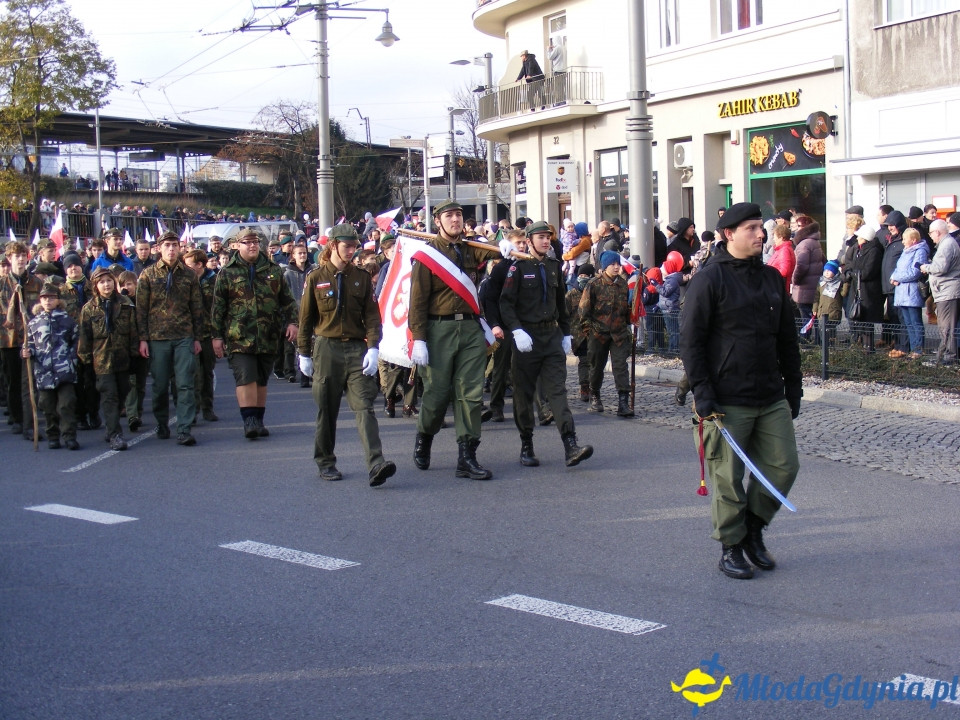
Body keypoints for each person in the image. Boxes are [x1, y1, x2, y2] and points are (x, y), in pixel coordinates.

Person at [679, 202, 801, 580]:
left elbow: (787, 338)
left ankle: (752, 529)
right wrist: (703, 392)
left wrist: (793, 387)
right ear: (729, 234)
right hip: (725, 400)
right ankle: (731, 546)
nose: (761, 234)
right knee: (727, 480)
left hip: (770, 395)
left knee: (783, 467)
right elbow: (691, 342)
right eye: (751, 228)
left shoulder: (771, 278)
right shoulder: (709, 279)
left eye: (761, 227)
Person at [408, 199, 507, 480]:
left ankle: (467, 455)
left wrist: (504, 247)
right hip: (438, 330)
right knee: (437, 394)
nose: (455, 220)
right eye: (449, 216)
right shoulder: (427, 255)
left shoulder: (471, 249)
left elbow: (493, 253)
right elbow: (417, 302)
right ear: (438, 221)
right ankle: (425, 435)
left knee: (470, 394)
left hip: (470, 330)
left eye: (459, 215)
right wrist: (419, 339)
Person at [296, 223, 396, 486]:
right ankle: (325, 461)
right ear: (333, 246)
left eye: (354, 246)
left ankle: (376, 463)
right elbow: (305, 319)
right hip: (326, 348)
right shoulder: (316, 277)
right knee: (327, 409)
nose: (351, 251)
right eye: (346, 246)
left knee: (365, 406)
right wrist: (303, 353)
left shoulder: (360, 277)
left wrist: (373, 347)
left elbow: (372, 317)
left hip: (355, 349)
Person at [499, 220, 593, 467]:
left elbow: (560, 303)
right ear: (529, 241)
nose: (545, 241)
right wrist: (516, 330)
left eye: (547, 237)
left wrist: (566, 333)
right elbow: (506, 304)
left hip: (550, 337)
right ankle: (526, 444)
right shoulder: (517, 267)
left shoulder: (553, 266)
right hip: (526, 338)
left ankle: (570, 445)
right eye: (540, 237)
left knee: (557, 391)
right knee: (523, 394)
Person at [211, 228, 298, 440]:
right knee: (245, 377)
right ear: (237, 245)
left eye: (255, 242)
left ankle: (258, 419)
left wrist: (292, 323)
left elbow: (287, 300)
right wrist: (217, 336)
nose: (252, 246)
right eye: (247, 242)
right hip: (239, 335)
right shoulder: (227, 273)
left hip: (268, 334)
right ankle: (248, 419)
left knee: (261, 379)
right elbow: (218, 307)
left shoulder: (273, 270)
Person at [136, 230, 204, 446]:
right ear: (158, 248)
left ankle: (184, 428)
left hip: (184, 335)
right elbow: (141, 310)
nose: (171, 249)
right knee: (159, 386)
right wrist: (143, 338)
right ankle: (162, 423)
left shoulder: (189, 275)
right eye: (167, 245)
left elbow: (197, 308)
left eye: (175, 245)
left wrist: (197, 337)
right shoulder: (148, 275)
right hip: (158, 337)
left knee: (185, 384)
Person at [79, 268, 139, 451]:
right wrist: (86, 362)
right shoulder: (89, 309)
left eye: (109, 281)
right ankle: (115, 434)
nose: (106, 285)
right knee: (109, 396)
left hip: (122, 358)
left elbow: (133, 331)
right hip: (101, 360)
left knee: (122, 392)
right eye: (102, 282)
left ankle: (111, 427)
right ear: (96, 286)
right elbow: (84, 338)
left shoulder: (126, 304)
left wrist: (134, 355)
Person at [22, 282, 79, 450]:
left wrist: (72, 361)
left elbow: (76, 343)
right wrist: (27, 352)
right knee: (47, 406)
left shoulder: (68, 321)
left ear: (58, 300)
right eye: (44, 298)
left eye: (51, 298)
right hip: (44, 372)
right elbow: (30, 344)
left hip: (65, 370)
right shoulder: (34, 323)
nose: (48, 301)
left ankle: (69, 436)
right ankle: (53, 435)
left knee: (66, 404)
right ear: (40, 300)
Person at [580, 249, 633, 417]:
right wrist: (589, 331)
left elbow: (626, 309)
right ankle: (595, 395)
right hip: (598, 334)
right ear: (605, 266)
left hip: (618, 334)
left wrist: (632, 317)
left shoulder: (623, 284)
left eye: (618, 264)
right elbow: (584, 310)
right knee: (596, 367)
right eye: (612, 264)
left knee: (620, 366)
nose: (616, 267)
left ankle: (623, 402)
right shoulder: (594, 284)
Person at [1, 241, 43, 440]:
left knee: (29, 383)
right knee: (12, 381)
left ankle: (29, 423)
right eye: (15, 256)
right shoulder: (2, 284)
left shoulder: (35, 283)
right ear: (9, 259)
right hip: (8, 340)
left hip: (30, 339)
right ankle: (16, 417)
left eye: (22, 256)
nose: (20, 260)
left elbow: (41, 308)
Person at [182, 249, 218, 421]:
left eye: (189, 265)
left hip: (208, 333)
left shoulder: (215, 281)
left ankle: (207, 407)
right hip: (189, 333)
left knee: (207, 372)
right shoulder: (184, 281)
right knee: (193, 373)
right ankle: (193, 409)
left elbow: (220, 308)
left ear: (199, 265)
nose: (186, 268)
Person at [920, 219, 960, 364]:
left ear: (937, 232)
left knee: (947, 327)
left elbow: (940, 268)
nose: (930, 236)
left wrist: (926, 267)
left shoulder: (947, 245)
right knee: (946, 327)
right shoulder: (947, 244)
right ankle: (944, 356)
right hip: (945, 291)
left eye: (931, 233)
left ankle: (949, 357)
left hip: (948, 292)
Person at [842, 224, 884, 352]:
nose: (857, 238)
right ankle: (862, 347)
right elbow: (851, 265)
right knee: (858, 320)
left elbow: (867, 272)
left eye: (859, 236)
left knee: (867, 322)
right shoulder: (858, 250)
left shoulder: (874, 251)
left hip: (868, 292)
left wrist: (852, 273)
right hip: (858, 289)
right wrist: (849, 272)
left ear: (865, 238)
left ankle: (868, 349)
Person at [889, 228, 930, 358]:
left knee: (915, 322)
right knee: (908, 323)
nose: (903, 242)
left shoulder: (920, 251)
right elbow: (898, 268)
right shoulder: (905, 251)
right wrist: (893, 277)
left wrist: (897, 278)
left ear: (913, 240)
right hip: (902, 292)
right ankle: (913, 349)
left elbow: (915, 272)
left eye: (905, 239)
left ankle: (918, 350)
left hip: (912, 292)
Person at [283, 242, 315, 387]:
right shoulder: (288, 274)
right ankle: (290, 372)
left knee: (310, 343)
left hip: (311, 311)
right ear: (293, 256)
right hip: (294, 313)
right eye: (299, 253)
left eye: (304, 253)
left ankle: (308, 374)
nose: (302, 255)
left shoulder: (313, 270)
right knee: (292, 344)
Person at [790, 217, 825, 341]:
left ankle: (806, 339)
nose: (796, 228)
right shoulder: (814, 242)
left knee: (806, 315)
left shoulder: (804, 244)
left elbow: (801, 266)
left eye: (799, 226)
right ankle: (818, 339)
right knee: (812, 314)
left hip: (805, 285)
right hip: (813, 284)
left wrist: (794, 280)